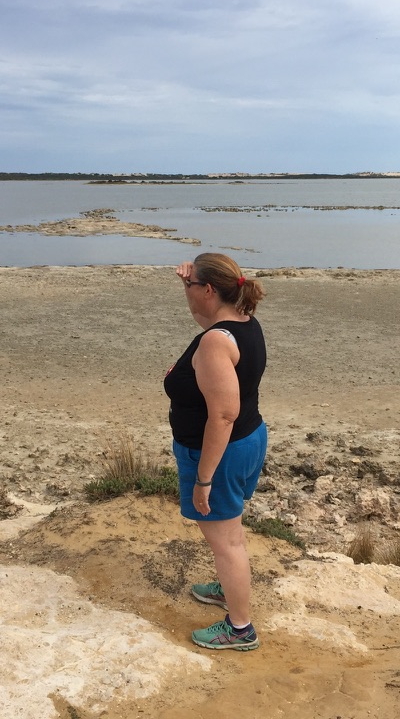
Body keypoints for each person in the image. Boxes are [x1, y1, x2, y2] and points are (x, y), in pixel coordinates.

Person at [163, 252, 268, 651]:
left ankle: (240, 628)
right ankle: (229, 588)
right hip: (248, 439)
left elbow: (222, 415)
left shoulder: (214, 343)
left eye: (192, 288)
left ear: (208, 290)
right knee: (228, 533)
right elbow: (208, 319)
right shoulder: (243, 324)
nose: (187, 296)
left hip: (220, 453)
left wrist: (203, 479)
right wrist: (188, 284)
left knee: (227, 541)